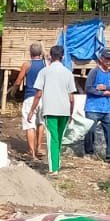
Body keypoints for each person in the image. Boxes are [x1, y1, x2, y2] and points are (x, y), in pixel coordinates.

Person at [30, 44, 77, 174]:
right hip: (64, 110)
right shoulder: (68, 73)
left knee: (52, 138)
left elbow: (38, 93)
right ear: (62, 57)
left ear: (50, 56)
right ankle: (57, 163)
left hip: (50, 109)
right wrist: (71, 112)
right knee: (59, 139)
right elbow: (71, 97)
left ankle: (53, 168)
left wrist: (32, 110)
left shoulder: (45, 72)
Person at [81, 47, 110, 161]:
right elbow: (88, 88)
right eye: (107, 59)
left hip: (107, 108)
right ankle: (89, 152)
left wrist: (105, 87)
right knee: (90, 131)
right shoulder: (94, 72)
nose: (109, 61)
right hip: (93, 107)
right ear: (101, 59)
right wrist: (102, 93)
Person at [12, 42, 47, 162]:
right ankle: (39, 147)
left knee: (29, 124)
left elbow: (18, 81)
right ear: (40, 53)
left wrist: (13, 91)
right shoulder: (45, 65)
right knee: (41, 122)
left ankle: (31, 152)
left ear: (30, 52)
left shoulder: (27, 65)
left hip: (30, 97)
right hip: (43, 97)